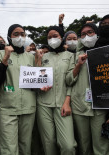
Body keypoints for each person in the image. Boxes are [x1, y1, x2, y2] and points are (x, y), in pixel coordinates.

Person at [66, 22, 109, 155]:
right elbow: (68, 80)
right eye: (83, 34)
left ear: (97, 34)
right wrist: (78, 65)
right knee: (84, 144)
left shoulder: (107, 52)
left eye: (90, 32)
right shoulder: (74, 55)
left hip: (100, 107)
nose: (86, 36)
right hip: (79, 106)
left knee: (101, 145)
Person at [0, 24, 36, 155]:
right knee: (9, 149)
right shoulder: (0, 54)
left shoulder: (31, 57)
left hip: (28, 108)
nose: (19, 37)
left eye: (22, 34)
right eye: (16, 34)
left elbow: (37, 80)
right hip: (7, 108)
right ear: (9, 37)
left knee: (25, 146)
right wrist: (5, 59)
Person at [36, 26, 77, 155]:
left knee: (68, 145)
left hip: (62, 104)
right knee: (48, 143)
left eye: (55, 36)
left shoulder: (71, 56)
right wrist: (38, 59)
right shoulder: (43, 56)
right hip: (43, 104)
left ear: (61, 37)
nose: (52, 39)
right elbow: (36, 77)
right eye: (49, 37)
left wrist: (67, 101)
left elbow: (71, 81)